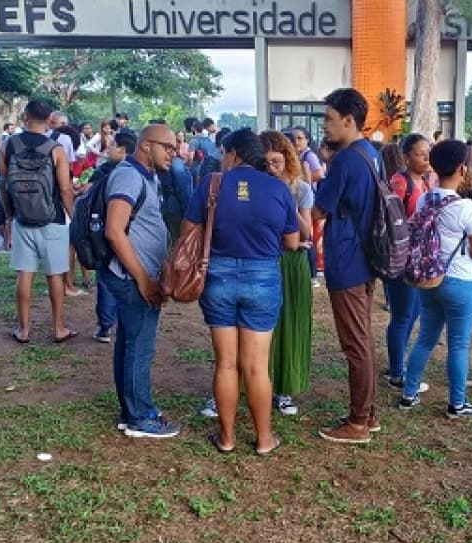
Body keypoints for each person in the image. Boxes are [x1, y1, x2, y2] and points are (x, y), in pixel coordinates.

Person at [189, 129, 299, 453]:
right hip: (263, 276)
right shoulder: (278, 189)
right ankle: (264, 439)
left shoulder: (212, 184)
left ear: (234, 153)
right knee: (256, 366)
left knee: (226, 364)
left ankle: (226, 438)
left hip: (218, 276)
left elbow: (188, 230)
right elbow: (292, 241)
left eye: (224, 153)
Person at [396, 140, 472, 417]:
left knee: (425, 338)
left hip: (429, 279)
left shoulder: (426, 198)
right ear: (462, 168)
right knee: (458, 344)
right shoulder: (466, 208)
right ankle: (457, 403)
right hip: (460, 282)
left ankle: (409, 394)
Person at [312, 89, 380, 444]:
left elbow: (319, 210)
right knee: (363, 339)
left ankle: (357, 422)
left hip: (347, 260)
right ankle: (368, 414)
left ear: (348, 121)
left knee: (355, 344)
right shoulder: (370, 154)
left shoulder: (344, 160)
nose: (325, 125)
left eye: (328, 118)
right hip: (366, 259)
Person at [102, 125, 178, 439]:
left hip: (138, 274)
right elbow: (114, 230)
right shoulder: (129, 176)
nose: (174, 153)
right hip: (132, 276)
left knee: (132, 343)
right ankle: (139, 417)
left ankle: (132, 409)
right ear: (146, 146)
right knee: (140, 347)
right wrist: (144, 279)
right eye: (168, 147)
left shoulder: (145, 175)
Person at [0, 100, 77, 345]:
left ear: (25, 116)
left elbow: (3, 185)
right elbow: (64, 190)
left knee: (25, 274)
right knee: (55, 275)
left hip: (22, 218)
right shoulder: (56, 149)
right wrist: (74, 217)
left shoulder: (8, 145)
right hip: (52, 219)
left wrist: (10, 215)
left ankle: (23, 330)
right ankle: (59, 328)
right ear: (50, 120)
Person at [260, 130, 314, 417]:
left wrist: (283, 198)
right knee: (262, 328)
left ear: (288, 161)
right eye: (266, 163)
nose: (272, 168)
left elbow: (307, 232)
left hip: (292, 262)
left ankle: (285, 389)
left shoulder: (300, 189)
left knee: (290, 323)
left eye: (277, 162)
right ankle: (260, 383)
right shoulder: (254, 187)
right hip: (264, 259)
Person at [381, 134, 436, 390]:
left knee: (411, 314)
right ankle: (396, 372)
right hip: (401, 259)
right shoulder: (400, 183)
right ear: (406, 157)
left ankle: (397, 362)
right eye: (420, 153)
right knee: (403, 315)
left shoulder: (424, 182)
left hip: (417, 259)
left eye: (428, 152)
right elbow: (392, 221)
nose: (426, 158)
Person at [87, 131, 138, 343]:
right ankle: (124, 323)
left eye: (113, 145)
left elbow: (88, 196)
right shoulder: (139, 173)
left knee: (107, 278)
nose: (108, 149)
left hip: (106, 234)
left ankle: (106, 326)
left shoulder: (105, 171)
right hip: (133, 236)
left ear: (123, 150)